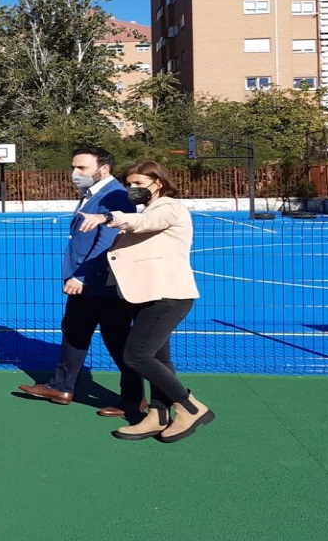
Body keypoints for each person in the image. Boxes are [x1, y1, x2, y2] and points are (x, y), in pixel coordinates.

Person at [77, 160, 214, 443]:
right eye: (129, 184)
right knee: (159, 360)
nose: (132, 188)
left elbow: (145, 223)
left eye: (139, 183)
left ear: (158, 183)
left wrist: (108, 217)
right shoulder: (149, 209)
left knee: (136, 356)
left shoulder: (169, 208)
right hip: (146, 294)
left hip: (168, 296)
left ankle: (190, 407)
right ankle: (158, 414)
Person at [17, 146, 145, 417]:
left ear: (104, 169)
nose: (75, 173)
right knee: (74, 332)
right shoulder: (92, 193)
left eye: (82, 168)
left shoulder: (116, 195)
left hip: (100, 283)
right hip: (85, 284)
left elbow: (109, 240)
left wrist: (82, 276)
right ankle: (61, 387)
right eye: (74, 167)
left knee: (117, 340)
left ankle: (135, 399)